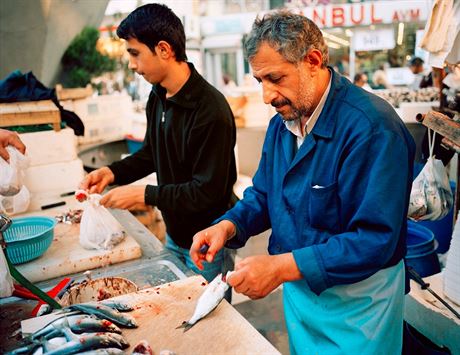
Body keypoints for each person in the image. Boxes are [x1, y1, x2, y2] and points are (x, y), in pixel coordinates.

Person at [190, 10, 415, 354]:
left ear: (312, 61)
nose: (267, 96)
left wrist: (281, 267)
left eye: (275, 78)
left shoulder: (373, 129)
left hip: (360, 308)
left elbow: (375, 240)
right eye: (260, 81)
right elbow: (265, 195)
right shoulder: (283, 124)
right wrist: (230, 225)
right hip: (301, 296)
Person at [79, 3, 237, 283]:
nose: (131, 64)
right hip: (174, 235)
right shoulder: (159, 96)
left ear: (164, 50)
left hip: (208, 242)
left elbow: (207, 192)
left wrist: (145, 195)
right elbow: (152, 153)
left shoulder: (211, 110)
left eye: (135, 53)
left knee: (208, 323)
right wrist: (113, 172)